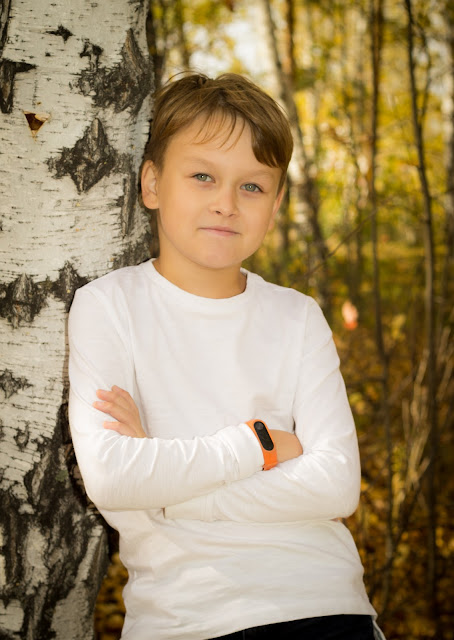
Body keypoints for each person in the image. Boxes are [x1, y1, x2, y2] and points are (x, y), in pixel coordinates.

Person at [68, 73, 384, 640]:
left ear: (276, 203)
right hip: (185, 619)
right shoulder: (109, 306)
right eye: (202, 176)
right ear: (152, 184)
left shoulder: (296, 316)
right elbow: (115, 478)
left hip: (324, 603)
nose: (226, 204)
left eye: (252, 186)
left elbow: (337, 486)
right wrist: (259, 445)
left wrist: (171, 494)